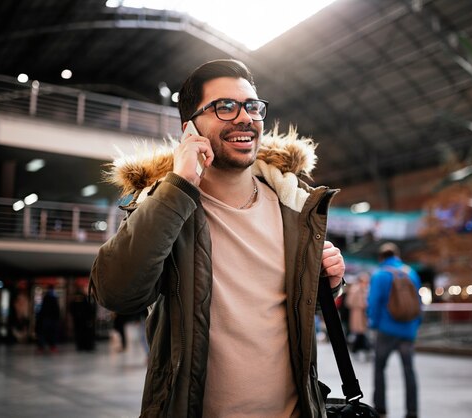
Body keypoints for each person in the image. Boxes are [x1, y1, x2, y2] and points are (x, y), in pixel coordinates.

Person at [89, 59, 345, 417]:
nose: (245, 118)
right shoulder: (165, 207)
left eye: (252, 106)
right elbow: (116, 292)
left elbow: (278, 311)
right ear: (189, 128)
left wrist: (326, 285)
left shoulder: (293, 205)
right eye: (225, 107)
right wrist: (178, 185)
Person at [367, 242, 422, 418]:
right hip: (408, 330)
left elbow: (373, 303)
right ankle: (412, 410)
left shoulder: (380, 275)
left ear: (381, 257)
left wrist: (374, 325)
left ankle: (380, 407)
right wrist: (415, 325)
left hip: (386, 330)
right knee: (409, 370)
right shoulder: (411, 273)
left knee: (379, 368)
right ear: (397, 255)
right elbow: (419, 302)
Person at [346, 271, 371, 360]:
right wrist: (361, 305)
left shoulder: (366, 289)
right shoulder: (355, 289)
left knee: (361, 333)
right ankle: (362, 349)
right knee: (359, 333)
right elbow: (349, 302)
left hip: (363, 315)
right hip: (357, 314)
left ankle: (358, 350)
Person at [70, 287, 96, 351]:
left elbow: (72, 310)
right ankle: (86, 346)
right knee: (84, 333)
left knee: (80, 334)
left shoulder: (75, 301)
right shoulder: (85, 300)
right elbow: (89, 310)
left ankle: (82, 346)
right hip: (84, 321)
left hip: (80, 321)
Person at [36, 285, 60, 353]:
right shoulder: (53, 298)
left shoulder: (46, 298)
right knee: (51, 334)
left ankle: (42, 347)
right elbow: (57, 310)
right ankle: (51, 347)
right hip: (50, 319)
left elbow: (42, 309)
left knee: (44, 333)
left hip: (46, 319)